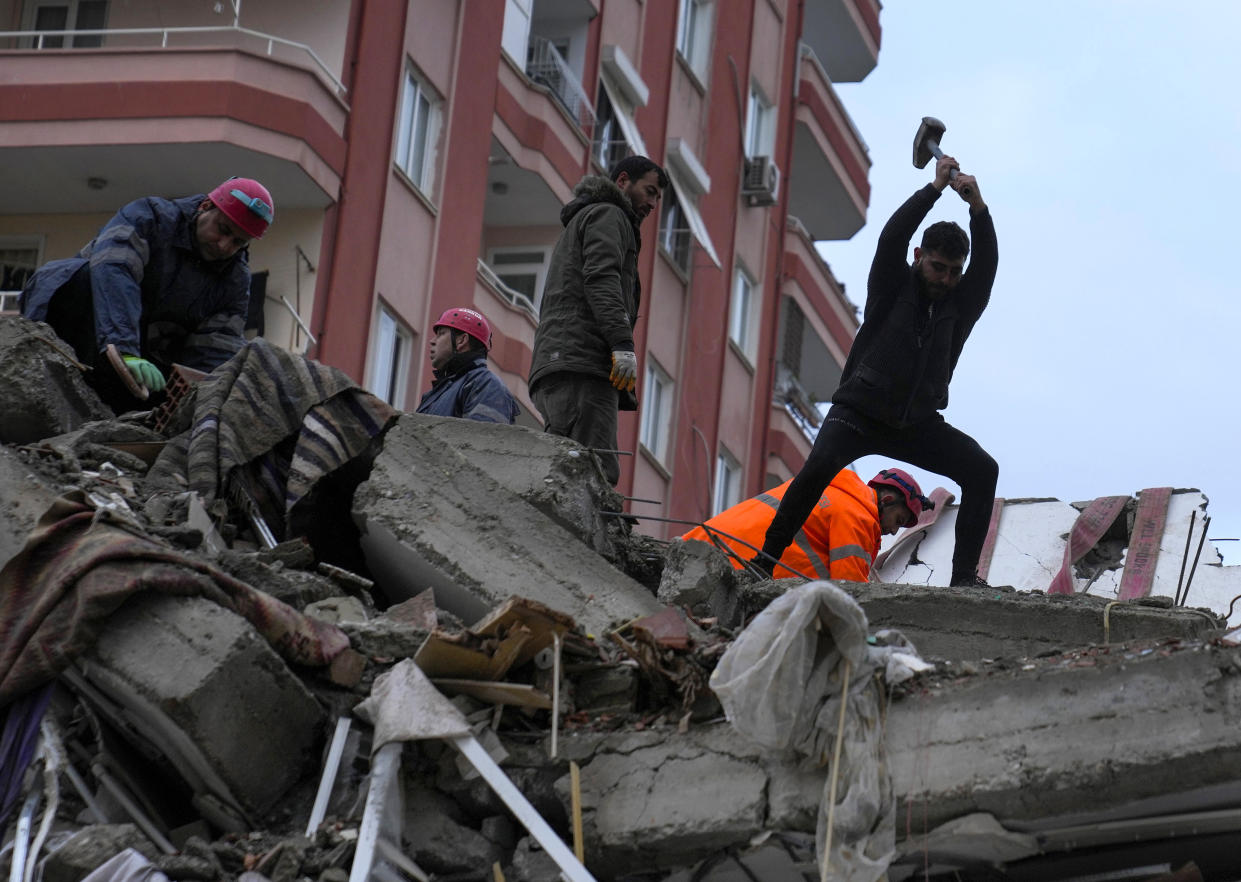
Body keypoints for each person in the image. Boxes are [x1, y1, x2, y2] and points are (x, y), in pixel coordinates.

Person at [754, 155, 999, 588]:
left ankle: (963, 580)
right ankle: (764, 561)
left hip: (917, 423)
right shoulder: (891, 286)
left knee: (982, 470)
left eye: (953, 272)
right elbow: (893, 236)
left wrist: (978, 208)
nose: (944, 278)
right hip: (859, 413)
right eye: (937, 267)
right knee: (816, 471)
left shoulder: (961, 306)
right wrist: (935, 189)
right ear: (920, 257)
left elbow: (987, 267)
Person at [21, 177, 274, 409]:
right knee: (89, 277)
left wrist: (197, 400)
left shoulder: (234, 281)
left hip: (143, 357)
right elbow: (115, 273)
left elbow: (216, 347)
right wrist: (123, 349)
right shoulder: (149, 218)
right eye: (224, 230)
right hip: (77, 324)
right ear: (206, 206)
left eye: (238, 242)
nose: (224, 245)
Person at [528, 155, 667, 485]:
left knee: (565, 468)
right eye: (648, 191)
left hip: (563, 361)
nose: (652, 203)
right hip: (583, 364)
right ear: (622, 182)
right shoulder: (609, 215)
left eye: (657, 198)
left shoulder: (589, 218)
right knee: (595, 473)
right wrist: (621, 343)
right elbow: (602, 278)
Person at [685, 468, 930, 582]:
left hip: (697, 549)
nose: (894, 531)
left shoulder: (826, 487)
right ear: (886, 500)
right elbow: (851, 592)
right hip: (730, 571)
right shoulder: (857, 515)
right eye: (898, 520)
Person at [415, 307, 520, 423]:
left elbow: (484, 437)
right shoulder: (432, 396)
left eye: (441, 334)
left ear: (461, 340)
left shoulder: (486, 384)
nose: (432, 341)